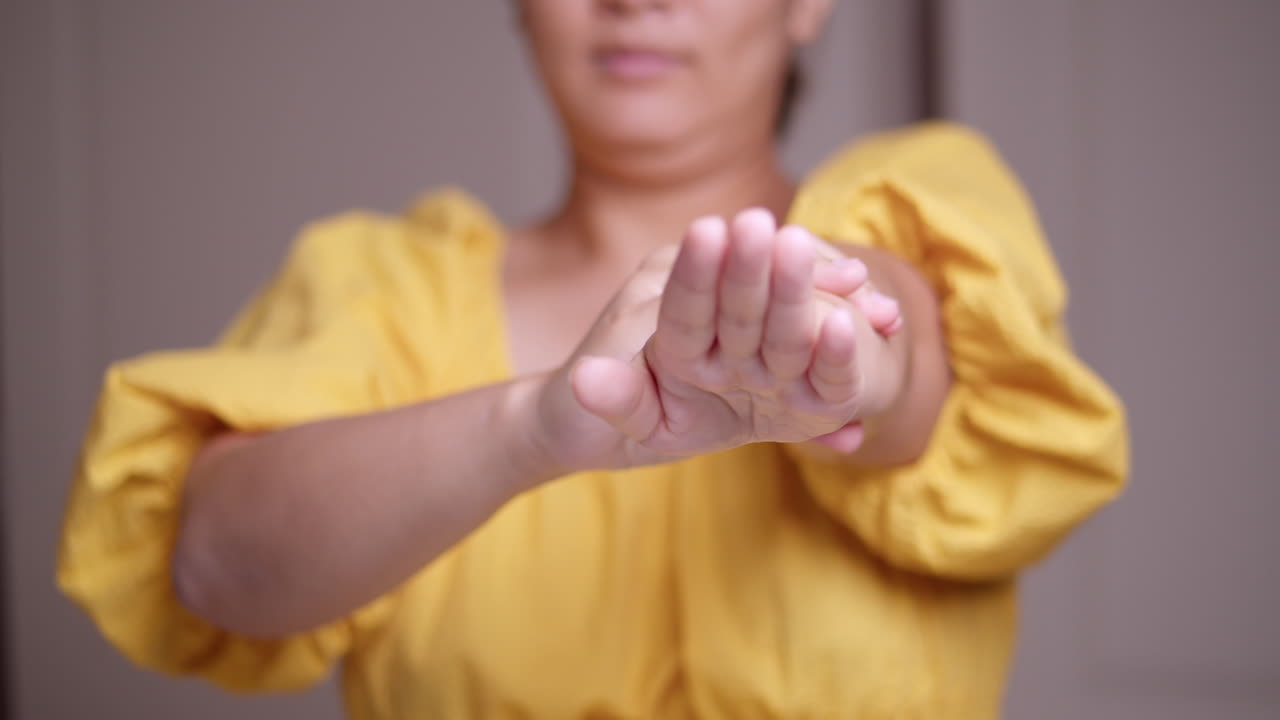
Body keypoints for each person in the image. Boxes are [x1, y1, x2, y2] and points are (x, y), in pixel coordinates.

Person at [56, 1, 1128, 718]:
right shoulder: (382, 285)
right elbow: (213, 563)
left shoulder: (917, 204)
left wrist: (839, 348)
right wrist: (530, 428)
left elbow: (926, 360)